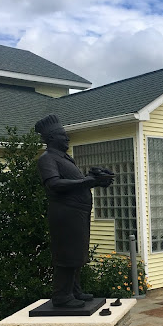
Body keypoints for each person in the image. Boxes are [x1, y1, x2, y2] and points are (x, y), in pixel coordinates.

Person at [34, 114, 114, 308]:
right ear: (51, 138)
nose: (67, 138)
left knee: (77, 254)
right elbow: (54, 184)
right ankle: (62, 296)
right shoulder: (47, 159)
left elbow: (76, 184)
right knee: (67, 254)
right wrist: (87, 182)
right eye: (63, 135)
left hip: (77, 213)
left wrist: (96, 180)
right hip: (65, 214)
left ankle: (74, 290)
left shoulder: (64, 159)